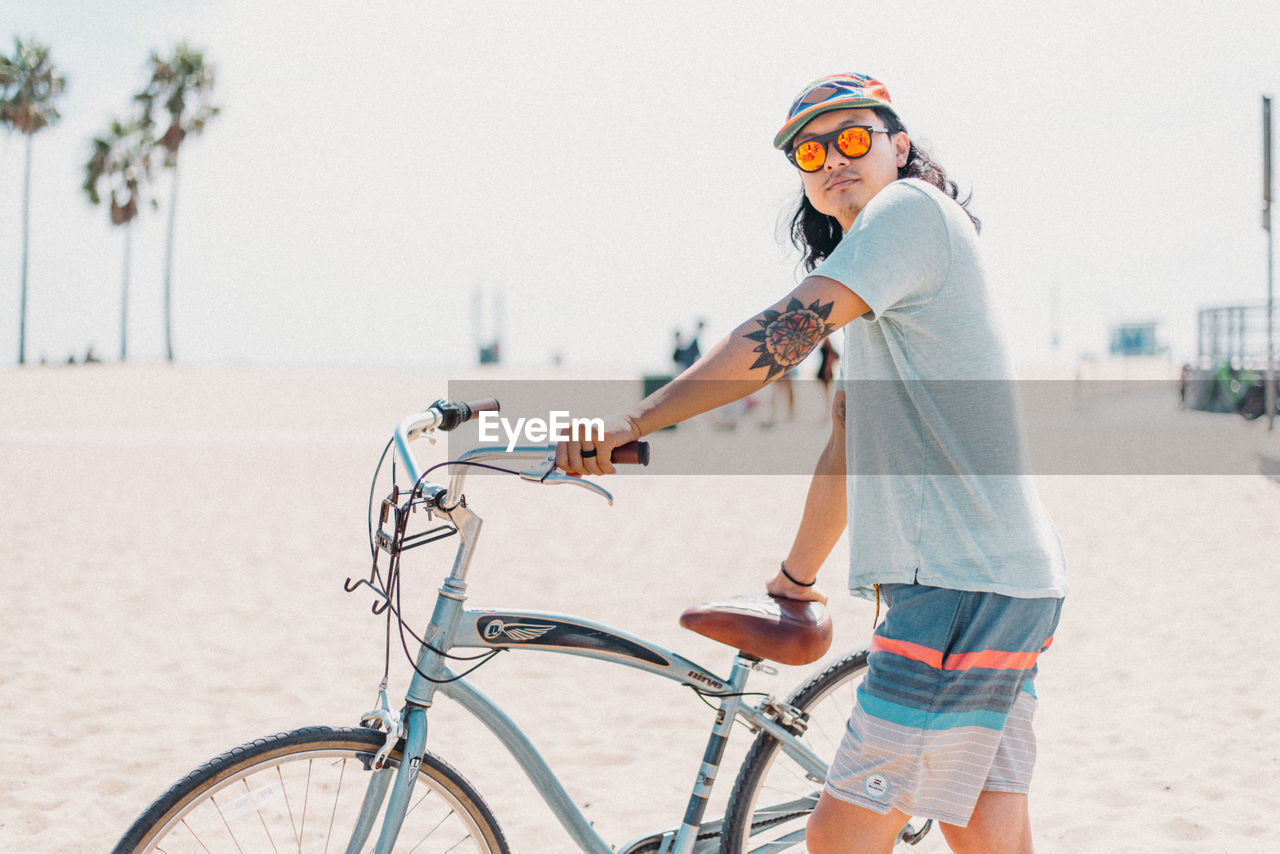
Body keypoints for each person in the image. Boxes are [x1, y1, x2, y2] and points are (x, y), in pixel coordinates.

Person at [557, 72, 1066, 853]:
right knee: (988, 835)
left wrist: (635, 419)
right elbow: (849, 442)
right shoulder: (879, 276)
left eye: (854, 137)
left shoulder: (909, 213)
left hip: (961, 589)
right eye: (810, 149)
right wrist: (795, 581)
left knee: (839, 841)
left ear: (900, 146)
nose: (833, 157)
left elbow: (778, 336)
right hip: (995, 581)